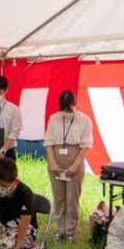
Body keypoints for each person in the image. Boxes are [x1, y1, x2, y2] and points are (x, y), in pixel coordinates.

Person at [44, 91, 93, 240]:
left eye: (70, 107)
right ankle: (61, 230)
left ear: (75, 104)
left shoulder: (84, 120)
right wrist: (52, 162)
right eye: (64, 108)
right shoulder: (54, 119)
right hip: (57, 158)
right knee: (59, 198)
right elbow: (49, 142)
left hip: (75, 157)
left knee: (72, 198)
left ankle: (70, 232)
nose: (67, 111)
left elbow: (86, 145)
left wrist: (75, 165)